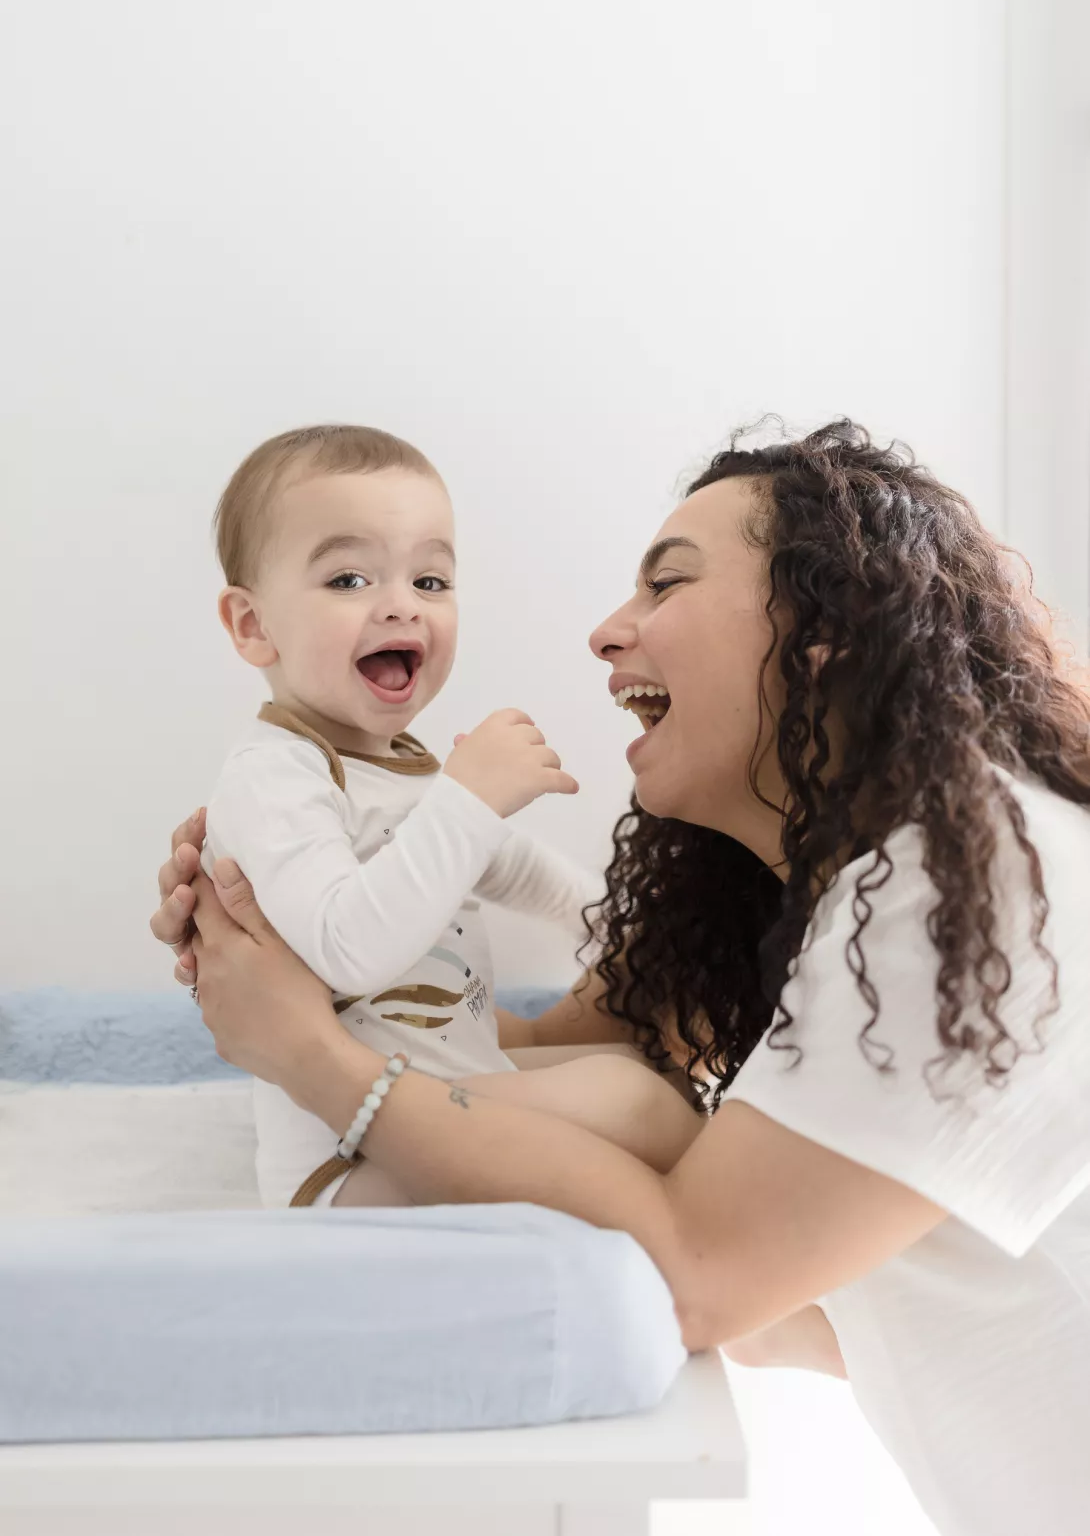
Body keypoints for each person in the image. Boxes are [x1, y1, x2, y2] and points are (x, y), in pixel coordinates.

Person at [152, 421, 1090, 1536]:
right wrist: (278, 959)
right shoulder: (845, 885)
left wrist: (311, 1057)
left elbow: (708, 1276)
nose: (606, 632)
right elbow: (547, 1049)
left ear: (824, 628)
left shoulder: (964, 876)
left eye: (668, 584)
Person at [200, 422, 702, 1207]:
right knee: (634, 1105)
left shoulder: (400, 765)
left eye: (429, 582)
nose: (401, 606)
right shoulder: (273, 777)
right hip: (349, 1157)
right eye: (348, 580)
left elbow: (511, 869)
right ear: (252, 625)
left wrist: (622, 924)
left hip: (447, 1090)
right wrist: (467, 797)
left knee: (648, 1089)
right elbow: (346, 948)